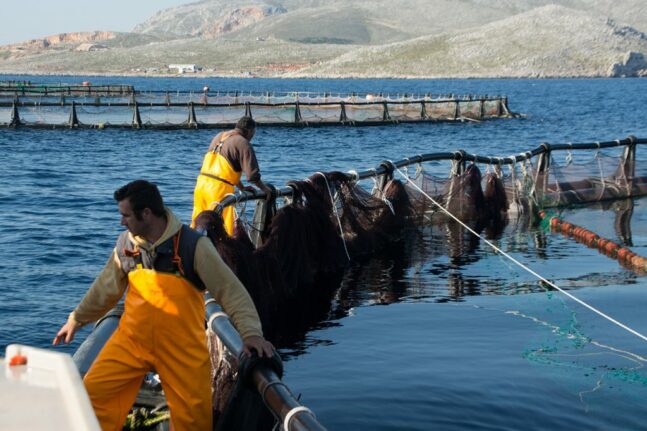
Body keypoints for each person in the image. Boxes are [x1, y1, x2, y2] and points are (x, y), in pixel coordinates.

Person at [53, 180, 274, 431]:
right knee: (90, 399)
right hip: (131, 342)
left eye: (126, 215)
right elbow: (104, 290)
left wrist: (251, 334)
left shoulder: (194, 247)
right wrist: (76, 319)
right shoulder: (126, 245)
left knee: (193, 422)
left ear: (146, 213)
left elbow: (231, 292)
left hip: (182, 349)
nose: (121, 222)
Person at [191, 116, 272, 235]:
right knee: (222, 230)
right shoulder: (243, 143)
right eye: (253, 133)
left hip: (201, 186)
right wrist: (265, 189)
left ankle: (191, 250)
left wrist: (241, 188)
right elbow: (252, 176)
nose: (252, 137)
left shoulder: (219, 136)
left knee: (197, 225)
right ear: (249, 131)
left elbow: (225, 169)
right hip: (218, 191)